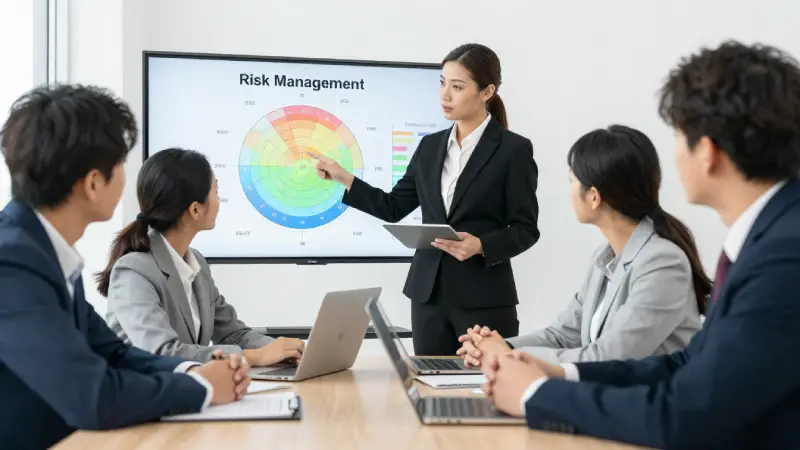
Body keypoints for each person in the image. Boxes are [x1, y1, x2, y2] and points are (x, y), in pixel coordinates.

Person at [482, 41, 800, 450]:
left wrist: (536, 395)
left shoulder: (783, 257)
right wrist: (559, 375)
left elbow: (684, 415)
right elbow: (688, 365)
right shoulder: (770, 238)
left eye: (679, 138)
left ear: (707, 153)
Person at [0, 85, 251, 449]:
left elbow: (113, 353)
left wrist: (196, 370)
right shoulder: (13, 262)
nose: (127, 178)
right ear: (93, 183)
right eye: (119, 164)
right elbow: (93, 395)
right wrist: (201, 387)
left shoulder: (41, 251)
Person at [307, 43, 540, 355]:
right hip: (428, 295)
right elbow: (394, 206)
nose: (445, 95)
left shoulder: (513, 150)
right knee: (429, 382)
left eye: (457, 87)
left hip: (484, 297)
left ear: (487, 92)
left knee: (485, 390)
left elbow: (525, 229)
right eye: (442, 83)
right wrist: (344, 177)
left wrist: (481, 245)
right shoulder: (429, 147)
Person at [457, 125, 709, 366]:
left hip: (649, 406)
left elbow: (610, 357)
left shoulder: (663, 263)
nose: (569, 192)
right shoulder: (605, 258)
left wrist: (505, 356)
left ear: (594, 196)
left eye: (572, 181)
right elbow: (562, 335)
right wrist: (500, 346)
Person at [97, 148, 305, 366]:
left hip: (185, 391)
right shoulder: (133, 272)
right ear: (195, 209)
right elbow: (163, 352)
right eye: (216, 191)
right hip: (140, 396)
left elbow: (233, 335)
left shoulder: (196, 264)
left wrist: (289, 349)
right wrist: (255, 357)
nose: (219, 200)